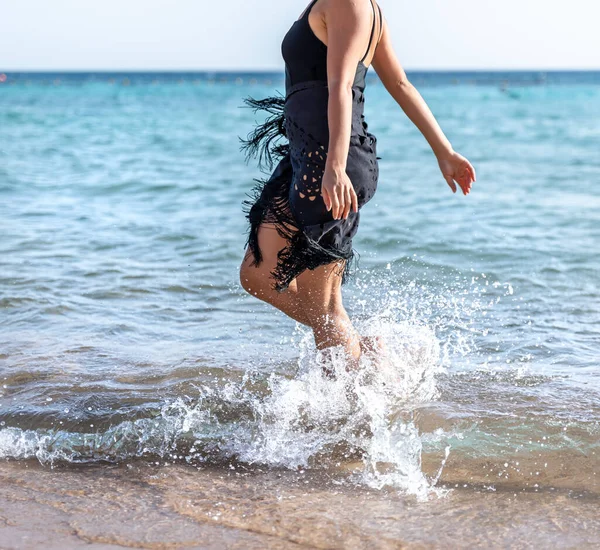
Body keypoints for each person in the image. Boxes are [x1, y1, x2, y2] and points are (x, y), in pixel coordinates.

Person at [239, 0, 476, 366]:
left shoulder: (349, 3)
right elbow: (399, 83)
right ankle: (357, 348)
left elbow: (342, 85)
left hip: (330, 163)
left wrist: (334, 167)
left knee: (325, 309)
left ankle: (347, 410)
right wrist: (445, 151)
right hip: (306, 156)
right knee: (257, 275)